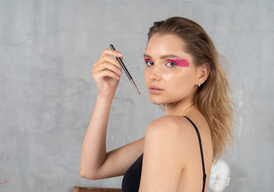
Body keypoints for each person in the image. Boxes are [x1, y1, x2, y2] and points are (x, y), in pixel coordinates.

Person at [80, 17, 234, 192]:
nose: (154, 74)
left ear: (202, 73)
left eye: (170, 63)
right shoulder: (189, 127)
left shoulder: (168, 130)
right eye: (150, 62)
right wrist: (105, 95)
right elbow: (92, 169)